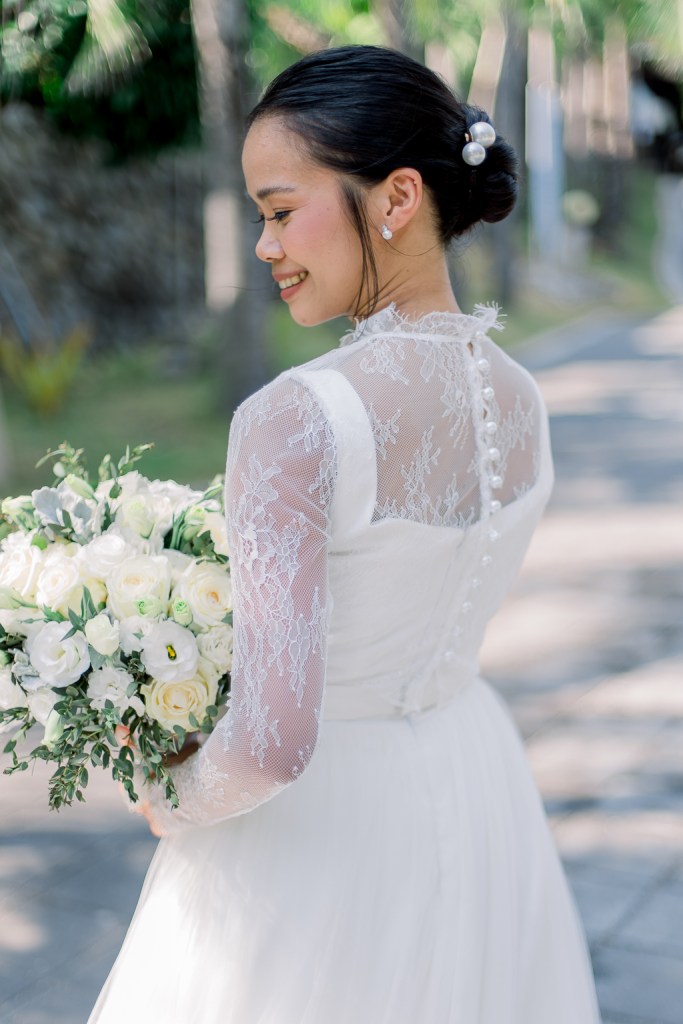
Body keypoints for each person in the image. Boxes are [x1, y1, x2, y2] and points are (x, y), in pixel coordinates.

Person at [88, 45, 602, 1023]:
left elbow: (276, 742)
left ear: (396, 197)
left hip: (317, 836)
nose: (264, 245)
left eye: (281, 211)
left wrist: (172, 793)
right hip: (471, 781)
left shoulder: (298, 421)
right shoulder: (521, 400)